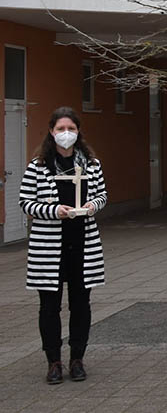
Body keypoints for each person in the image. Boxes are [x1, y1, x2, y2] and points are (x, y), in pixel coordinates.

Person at [19, 107, 107, 384]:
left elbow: (102, 194)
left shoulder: (91, 164)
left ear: (78, 131)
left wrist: (93, 205)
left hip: (82, 242)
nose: (65, 134)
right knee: (49, 307)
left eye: (70, 128)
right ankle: (53, 361)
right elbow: (25, 202)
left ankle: (77, 359)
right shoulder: (38, 166)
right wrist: (53, 211)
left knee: (81, 304)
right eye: (60, 129)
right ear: (51, 132)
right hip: (49, 246)